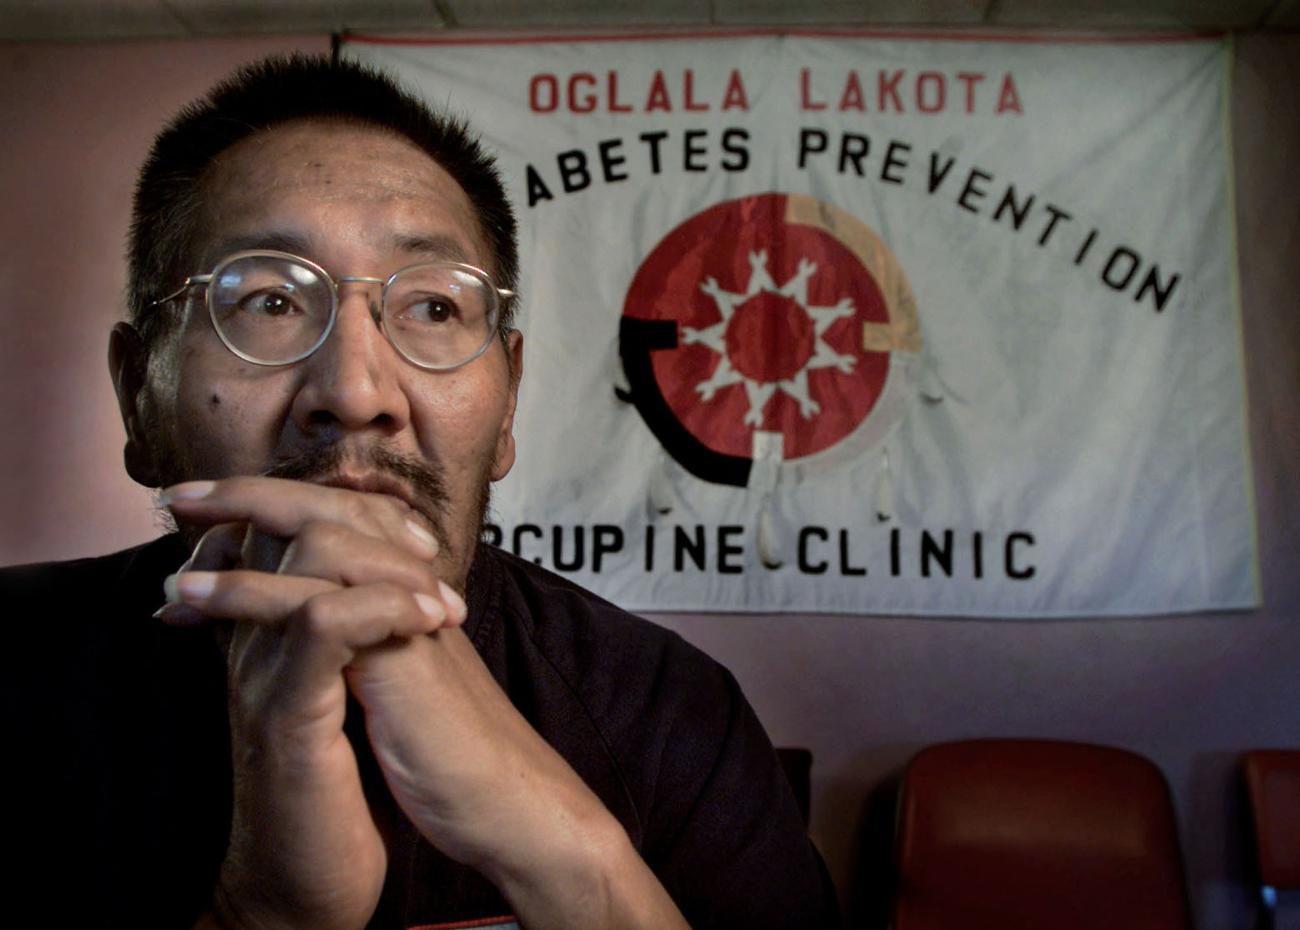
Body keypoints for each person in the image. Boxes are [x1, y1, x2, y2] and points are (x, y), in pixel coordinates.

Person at [1, 55, 838, 930]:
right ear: (140, 394)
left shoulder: (668, 712)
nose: (357, 393)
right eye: (268, 302)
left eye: (435, 307)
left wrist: (568, 854)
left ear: (507, 404)